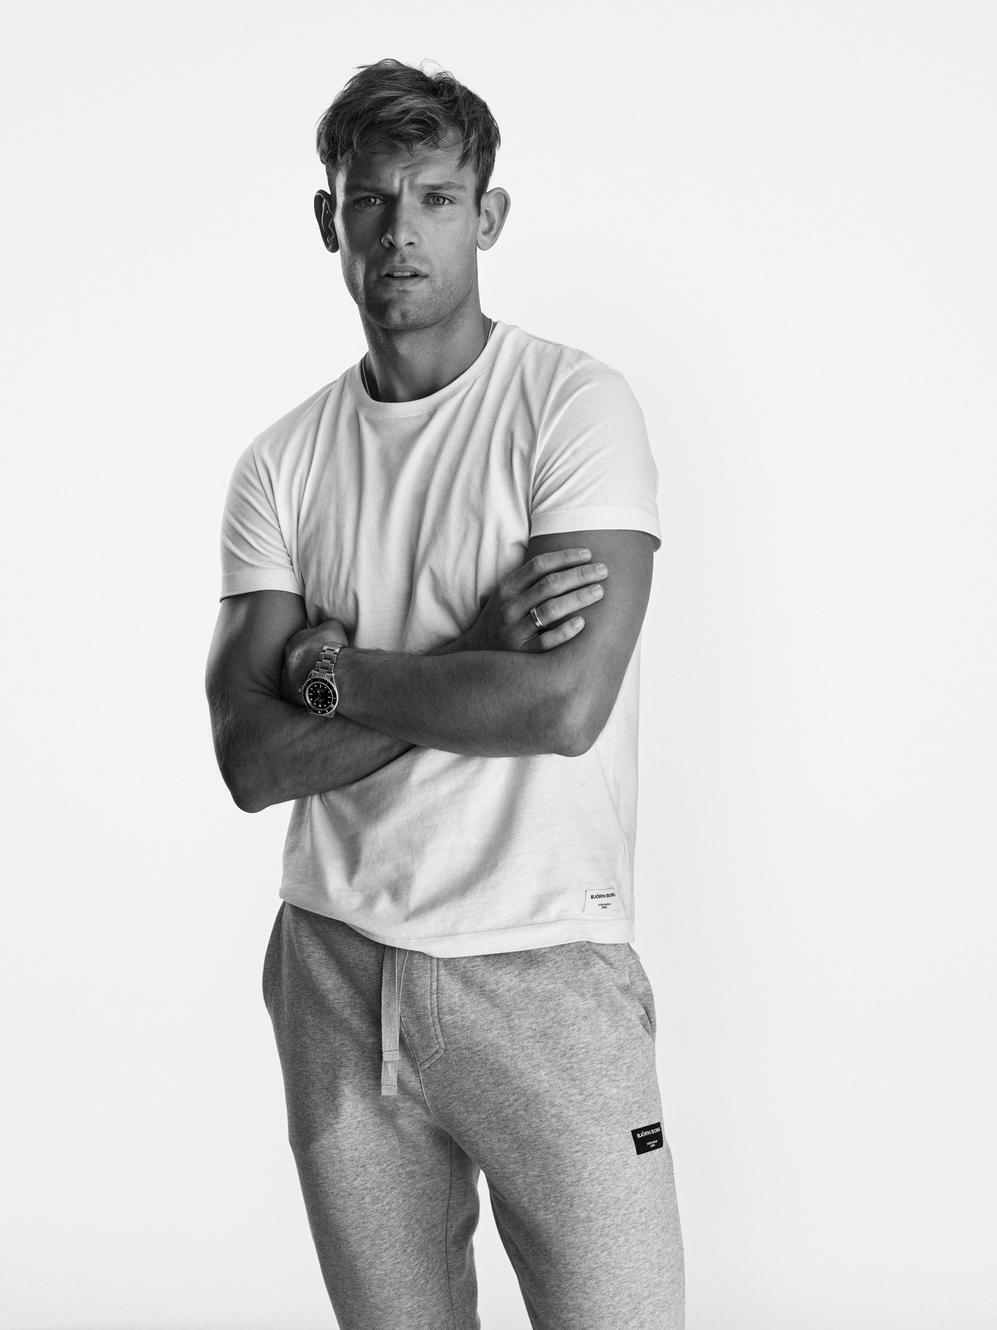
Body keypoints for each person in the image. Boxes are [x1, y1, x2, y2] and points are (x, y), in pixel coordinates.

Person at [205, 56, 684, 1330]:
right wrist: (473, 651)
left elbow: (559, 708)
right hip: (334, 965)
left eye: (435, 197)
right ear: (330, 219)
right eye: (370, 199)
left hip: (542, 964)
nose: (399, 231)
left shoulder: (572, 408)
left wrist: (333, 673)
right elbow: (251, 759)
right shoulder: (282, 462)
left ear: (489, 215)